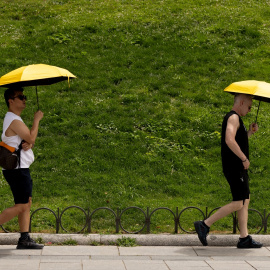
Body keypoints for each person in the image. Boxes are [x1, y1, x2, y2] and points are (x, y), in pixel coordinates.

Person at [194, 93, 263, 248]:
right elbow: (229, 140)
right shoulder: (233, 117)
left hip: (237, 167)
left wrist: (249, 133)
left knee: (245, 199)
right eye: (249, 106)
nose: (250, 110)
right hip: (234, 166)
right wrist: (244, 159)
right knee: (239, 202)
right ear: (242, 102)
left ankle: (244, 238)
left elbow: (237, 140)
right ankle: (204, 224)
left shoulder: (238, 119)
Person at [0, 87, 44, 249]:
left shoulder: (14, 118)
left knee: (26, 202)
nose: (24, 99)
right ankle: (24, 238)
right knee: (23, 206)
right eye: (20, 97)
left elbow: (28, 139)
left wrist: (29, 142)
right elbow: (31, 136)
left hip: (20, 169)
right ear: (11, 101)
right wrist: (37, 119)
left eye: (24, 96)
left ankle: (24, 239)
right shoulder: (13, 120)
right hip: (17, 170)